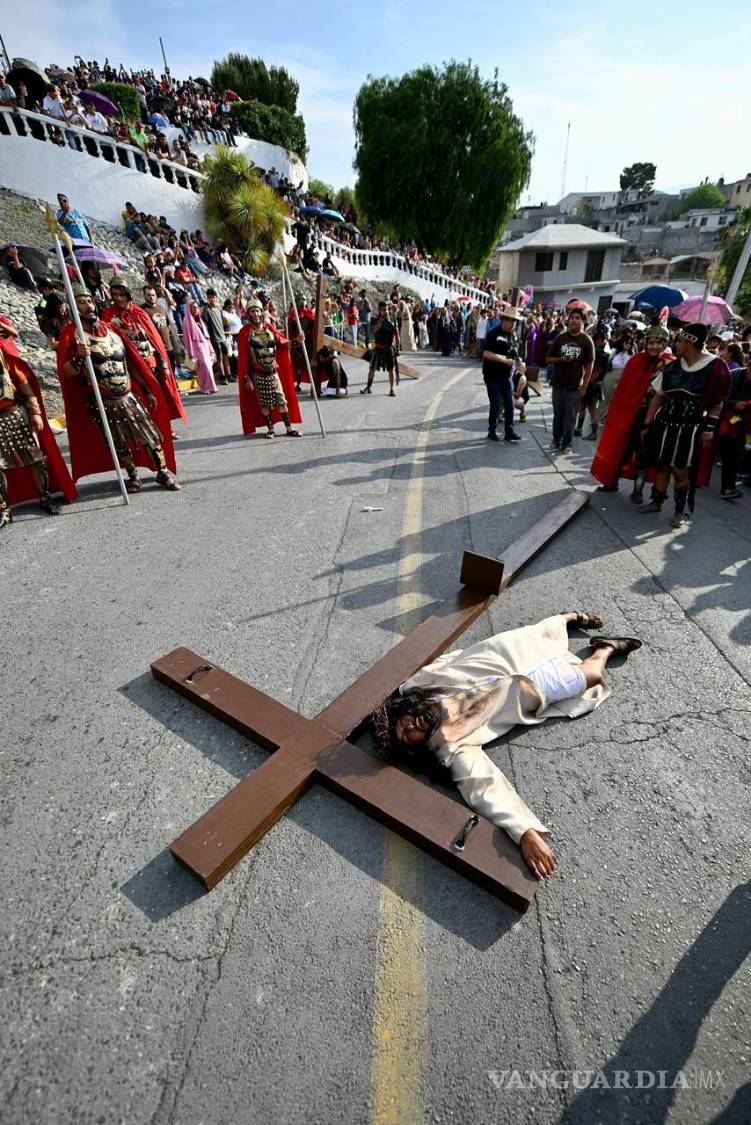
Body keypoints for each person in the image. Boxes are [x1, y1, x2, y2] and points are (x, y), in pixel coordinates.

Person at [372, 611, 641, 880]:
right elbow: (482, 785)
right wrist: (524, 832)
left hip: (499, 656)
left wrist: (465, 654)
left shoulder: (417, 688)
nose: (410, 726)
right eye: (407, 735)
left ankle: (569, 617)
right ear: (415, 749)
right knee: (590, 676)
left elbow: (442, 662)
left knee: (539, 634)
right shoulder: (448, 745)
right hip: (530, 688)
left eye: (402, 720)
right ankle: (605, 648)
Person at [57, 288, 179, 493]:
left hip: (128, 394)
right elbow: (67, 372)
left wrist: (148, 390)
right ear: (73, 308)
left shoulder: (112, 331)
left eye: (89, 301)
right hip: (102, 399)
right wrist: (78, 356)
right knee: (118, 440)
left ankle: (162, 472)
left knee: (150, 435)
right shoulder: (72, 336)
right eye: (82, 302)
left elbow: (130, 363)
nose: (89, 306)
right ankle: (132, 475)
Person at [637, 322, 731, 527]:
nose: (675, 344)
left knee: (681, 470)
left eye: (679, 341)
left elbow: (717, 403)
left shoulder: (716, 367)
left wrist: (708, 430)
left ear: (689, 342)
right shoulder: (672, 367)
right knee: (662, 466)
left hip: (690, 427)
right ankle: (656, 502)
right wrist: (647, 424)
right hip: (664, 423)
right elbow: (657, 397)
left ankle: (680, 511)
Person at [0, 333, 76, 527]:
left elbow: (22, 381)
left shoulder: (3, 355)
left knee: (35, 459)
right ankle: (3, 509)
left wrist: (35, 412)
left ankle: (45, 497)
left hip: (15, 413)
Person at [590, 323, 672, 501]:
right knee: (622, 448)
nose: (654, 346)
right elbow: (624, 390)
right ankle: (611, 481)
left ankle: (638, 490)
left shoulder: (669, 364)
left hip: (654, 417)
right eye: (651, 342)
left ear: (665, 344)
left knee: (644, 453)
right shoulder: (636, 361)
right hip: (629, 414)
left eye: (659, 342)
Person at [102, 281, 187, 432]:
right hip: (130, 366)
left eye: (121, 294)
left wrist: (164, 364)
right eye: (115, 295)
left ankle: (165, 428)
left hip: (150, 362)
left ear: (128, 294)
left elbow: (155, 341)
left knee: (159, 396)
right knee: (140, 400)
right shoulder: (109, 316)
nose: (118, 298)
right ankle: (149, 431)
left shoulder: (140, 313)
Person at [237, 299, 302, 437]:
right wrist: (246, 378)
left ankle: (289, 428)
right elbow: (243, 360)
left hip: (272, 371)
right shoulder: (245, 333)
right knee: (264, 402)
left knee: (281, 399)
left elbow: (283, 343)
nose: (255, 314)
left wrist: (297, 341)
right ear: (249, 314)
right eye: (252, 311)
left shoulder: (269, 328)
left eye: (258, 311)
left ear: (261, 312)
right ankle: (270, 429)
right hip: (257, 373)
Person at [546, 309, 595, 453]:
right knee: (558, 414)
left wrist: (584, 386)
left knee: (570, 416)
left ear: (583, 321)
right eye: (572, 317)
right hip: (558, 383)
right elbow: (548, 358)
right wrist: (560, 359)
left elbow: (589, 365)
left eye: (578, 318)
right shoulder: (561, 338)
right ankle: (556, 440)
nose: (574, 320)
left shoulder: (586, 340)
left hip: (574, 386)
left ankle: (567, 444)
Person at [482, 307, 524, 443]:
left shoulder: (512, 335)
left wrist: (519, 362)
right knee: (496, 403)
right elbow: (486, 353)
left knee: (509, 403)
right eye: (509, 320)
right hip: (492, 375)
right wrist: (504, 359)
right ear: (503, 320)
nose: (512, 323)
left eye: (514, 321)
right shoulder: (493, 333)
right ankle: (492, 431)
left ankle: (509, 432)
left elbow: (513, 353)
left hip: (505, 376)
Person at [717, 357, 751, 499]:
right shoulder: (733, 376)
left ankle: (728, 488)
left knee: (734, 453)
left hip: (740, 422)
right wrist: (734, 403)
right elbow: (718, 398)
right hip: (721, 417)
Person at [575, 327, 609, 441]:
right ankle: (579, 428)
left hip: (594, 385)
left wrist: (585, 383)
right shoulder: (600, 353)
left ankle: (593, 433)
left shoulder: (600, 354)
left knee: (592, 409)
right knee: (582, 406)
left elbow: (596, 373)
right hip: (594, 384)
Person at [361, 301, 400, 396]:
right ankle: (368, 387)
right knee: (372, 368)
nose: (384, 311)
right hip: (378, 347)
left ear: (388, 310)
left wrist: (398, 348)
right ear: (379, 310)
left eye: (385, 309)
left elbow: (397, 334)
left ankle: (392, 389)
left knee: (391, 369)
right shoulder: (375, 319)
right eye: (382, 310)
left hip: (389, 347)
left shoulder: (392, 320)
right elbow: (373, 330)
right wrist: (381, 321)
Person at [182, 300, 217, 394]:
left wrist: (210, 348)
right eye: (194, 307)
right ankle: (205, 388)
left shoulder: (198, 319)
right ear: (189, 308)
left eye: (197, 307)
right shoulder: (186, 321)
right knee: (203, 367)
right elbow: (187, 338)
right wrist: (190, 352)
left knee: (208, 367)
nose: (196, 309)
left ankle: (211, 387)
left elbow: (206, 335)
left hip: (205, 346)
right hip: (196, 348)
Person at [202, 289, 231, 385]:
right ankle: (222, 377)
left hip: (222, 337)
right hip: (214, 339)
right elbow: (203, 323)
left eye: (213, 297)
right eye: (209, 297)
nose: (211, 299)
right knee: (219, 358)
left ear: (216, 298)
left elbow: (224, 322)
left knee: (226, 357)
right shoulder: (206, 310)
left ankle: (229, 375)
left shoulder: (219, 309)